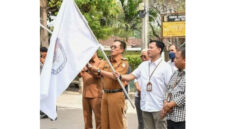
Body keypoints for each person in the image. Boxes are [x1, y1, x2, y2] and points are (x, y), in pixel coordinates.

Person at [114, 40, 173, 129]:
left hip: (159, 107)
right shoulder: (143, 65)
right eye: (148, 47)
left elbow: (171, 88)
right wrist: (120, 76)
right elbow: (131, 76)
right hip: (146, 106)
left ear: (159, 49)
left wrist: (167, 104)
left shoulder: (165, 67)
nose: (148, 50)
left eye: (151, 47)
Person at [88, 40, 129, 129]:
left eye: (115, 47)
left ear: (121, 50)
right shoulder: (106, 61)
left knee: (116, 123)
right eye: (111, 47)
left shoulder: (124, 62)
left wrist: (99, 71)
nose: (112, 49)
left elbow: (115, 76)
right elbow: (96, 73)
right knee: (104, 123)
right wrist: (90, 67)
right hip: (105, 94)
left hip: (116, 94)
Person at [161, 47, 186, 129]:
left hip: (182, 120)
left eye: (177, 58)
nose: (174, 60)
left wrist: (170, 104)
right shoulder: (175, 73)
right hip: (170, 117)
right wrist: (165, 103)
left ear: (185, 60)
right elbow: (168, 89)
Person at [79, 53, 103, 129]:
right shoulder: (85, 62)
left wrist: (88, 69)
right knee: (86, 119)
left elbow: (99, 74)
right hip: (85, 94)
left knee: (99, 119)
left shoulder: (101, 62)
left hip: (96, 94)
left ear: (95, 51)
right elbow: (79, 74)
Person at [134, 49, 150, 129]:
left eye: (145, 56)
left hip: (148, 97)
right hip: (138, 97)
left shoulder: (152, 67)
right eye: (141, 56)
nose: (143, 58)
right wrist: (138, 88)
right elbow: (134, 78)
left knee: (149, 121)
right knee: (141, 121)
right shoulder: (140, 66)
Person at [40, 46, 48, 119]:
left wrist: (43, 61)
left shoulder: (49, 58)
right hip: (42, 80)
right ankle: (42, 111)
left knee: (48, 96)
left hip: (48, 80)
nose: (42, 54)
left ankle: (50, 111)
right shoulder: (41, 59)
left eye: (42, 52)